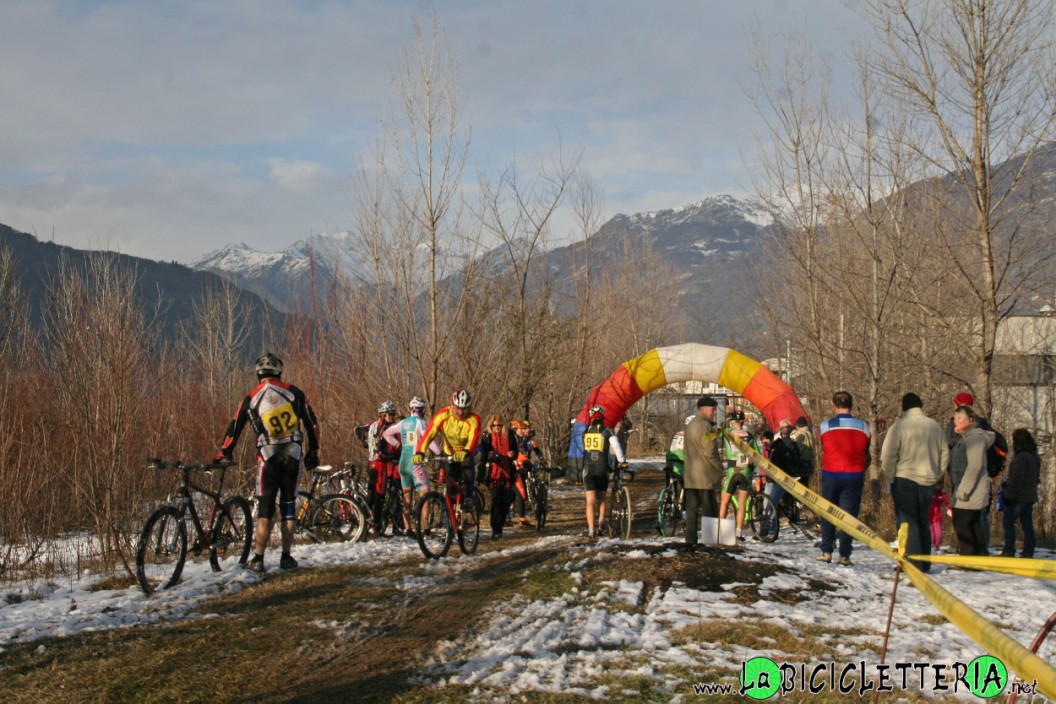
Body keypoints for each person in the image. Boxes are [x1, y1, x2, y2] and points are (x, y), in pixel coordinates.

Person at [216, 353, 319, 573]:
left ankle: (259, 559)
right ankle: (286, 557)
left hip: (268, 455)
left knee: (265, 509)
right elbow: (312, 422)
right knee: (289, 506)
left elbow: (235, 426)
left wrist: (225, 452)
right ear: (279, 372)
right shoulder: (294, 391)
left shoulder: (251, 396)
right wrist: (313, 450)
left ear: (258, 374)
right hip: (293, 453)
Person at [880, 393, 948, 573]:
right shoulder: (934, 426)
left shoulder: (899, 427)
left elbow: (887, 455)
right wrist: (937, 473)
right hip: (927, 480)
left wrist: (890, 476)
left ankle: (913, 564)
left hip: (904, 478)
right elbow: (944, 453)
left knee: (908, 522)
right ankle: (925, 562)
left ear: (904, 406)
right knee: (923, 520)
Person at [817, 390, 871, 566]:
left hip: (831, 472)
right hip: (854, 474)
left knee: (828, 511)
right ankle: (845, 554)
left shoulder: (825, 426)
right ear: (852, 405)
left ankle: (826, 550)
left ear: (834, 406)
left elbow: (824, 444)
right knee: (849, 515)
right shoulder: (863, 426)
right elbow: (866, 449)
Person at [413, 389, 482, 505]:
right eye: (457, 408)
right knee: (450, 483)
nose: (460, 412)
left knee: (467, 474)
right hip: (449, 452)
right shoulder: (443, 415)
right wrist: (420, 452)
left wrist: (466, 451)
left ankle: (469, 497)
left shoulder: (473, 419)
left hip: (466, 451)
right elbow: (429, 434)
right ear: (451, 405)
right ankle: (449, 514)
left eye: (464, 409)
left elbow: (473, 439)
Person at [382, 396, 434, 535]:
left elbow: (386, 434)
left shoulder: (404, 423)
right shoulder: (420, 422)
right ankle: (426, 527)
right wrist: (439, 452)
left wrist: (397, 444)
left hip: (403, 464)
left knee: (407, 497)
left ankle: (407, 528)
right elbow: (428, 439)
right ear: (422, 410)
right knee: (425, 493)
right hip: (414, 463)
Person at [948, 405, 995, 557]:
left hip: (971, 490)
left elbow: (975, 466)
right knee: (973, 524)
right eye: (955, 418)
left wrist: (963, 490)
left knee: (962, 523)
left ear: (971, 419)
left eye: (960, 418)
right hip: (965, 488)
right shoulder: (964, 438)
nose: (956, 421)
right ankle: (980, 557)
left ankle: (968, 559)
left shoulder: (974, 438)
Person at [581, 405, 627, 540]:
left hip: (588, 468)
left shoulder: (586, 431)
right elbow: (616, 446)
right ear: (603, 417)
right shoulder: (607, 430)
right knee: (601, 498)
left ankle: (591, 531)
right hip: (602, 467)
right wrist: (622, 460)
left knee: (590, 501)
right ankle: (601, 523)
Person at [683, 397, 724, 550]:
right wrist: (720, 467)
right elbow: (710, 451)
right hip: (705, 476)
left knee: (692, 510)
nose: (714, 412)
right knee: (709, 510)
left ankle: (690, 540)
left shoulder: (691, 425)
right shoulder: (706, 426)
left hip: (691, 475)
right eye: (713, 409)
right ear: (703, 409)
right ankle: (710, 541)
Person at [719, 408, 762, 541]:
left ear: (731, 422)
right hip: (745, 471)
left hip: (732, 470)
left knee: (724, 502)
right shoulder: (749, 435)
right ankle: (739, 532)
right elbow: (758, 456)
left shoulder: (726, 433)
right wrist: (752, 466)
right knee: (742, 503)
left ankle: (720, 531)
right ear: (742, 422)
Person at [1000, 428, 1040, 558]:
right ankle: (1029, 550)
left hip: (1018, 496)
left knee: (1008, 522)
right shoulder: (1034, 456)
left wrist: (1008, 495)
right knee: (1027, 524)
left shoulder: (1021, 457)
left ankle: (1009, 549)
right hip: (1029, 495)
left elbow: (1016, 478)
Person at [476, 415, 518, 538]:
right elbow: (481, 454)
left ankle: (500, 523)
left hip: (507, 471)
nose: (496, 428)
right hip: (492, 472)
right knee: (496, 499)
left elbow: (516, 451)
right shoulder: (486, 436)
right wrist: (489, 455)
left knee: (508, 498)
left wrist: (512, 454)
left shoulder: (509, 435)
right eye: (494, 426)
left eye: (499, 425)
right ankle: (496, 528)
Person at [366, 401, 402, 536]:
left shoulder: (373, 425)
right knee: (380, 495)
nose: (393, 417)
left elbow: (359, 431)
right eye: (391, 414)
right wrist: (394, 453)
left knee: (372, 494)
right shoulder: (384, 426)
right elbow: (382, 447)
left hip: (371, 462)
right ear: (383, 415)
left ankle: (365, 521)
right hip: (380, 463)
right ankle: (376, 526)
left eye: (394, 414)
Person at [511, 420, 546, 528]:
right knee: (520, 493)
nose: (525, 430)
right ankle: (519, 517)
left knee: (527, 488)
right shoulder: (514, 439)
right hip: (516, 467)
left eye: (526, 428)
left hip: (525, 464)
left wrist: (541, 459)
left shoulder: (530, 439)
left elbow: (537, 450)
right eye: (522, 428)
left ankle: (522, 515)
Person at [763, 420, 801, 519]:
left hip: (778, 477)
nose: (785, 429)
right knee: (772, 502)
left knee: (770, 504)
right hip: (784, 476)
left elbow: (773, 460)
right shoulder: (790, 443)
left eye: (786, 427)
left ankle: (768, 529)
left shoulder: (781, 444)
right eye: (784, 427)